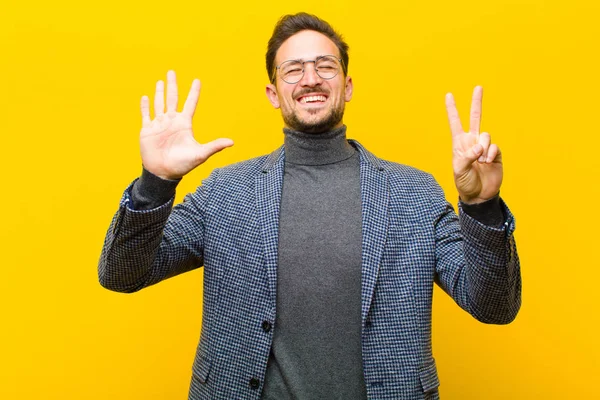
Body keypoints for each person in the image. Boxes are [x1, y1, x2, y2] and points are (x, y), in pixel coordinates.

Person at [99, 12, 521, 400]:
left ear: (348, 85)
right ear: (273, 93)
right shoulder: (225, 191)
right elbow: (121, 274)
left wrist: (481, 205)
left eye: (325, 66)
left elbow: (495, 307)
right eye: (293, 70)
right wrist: (156, 182)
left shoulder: (414, 192)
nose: (311, 79)